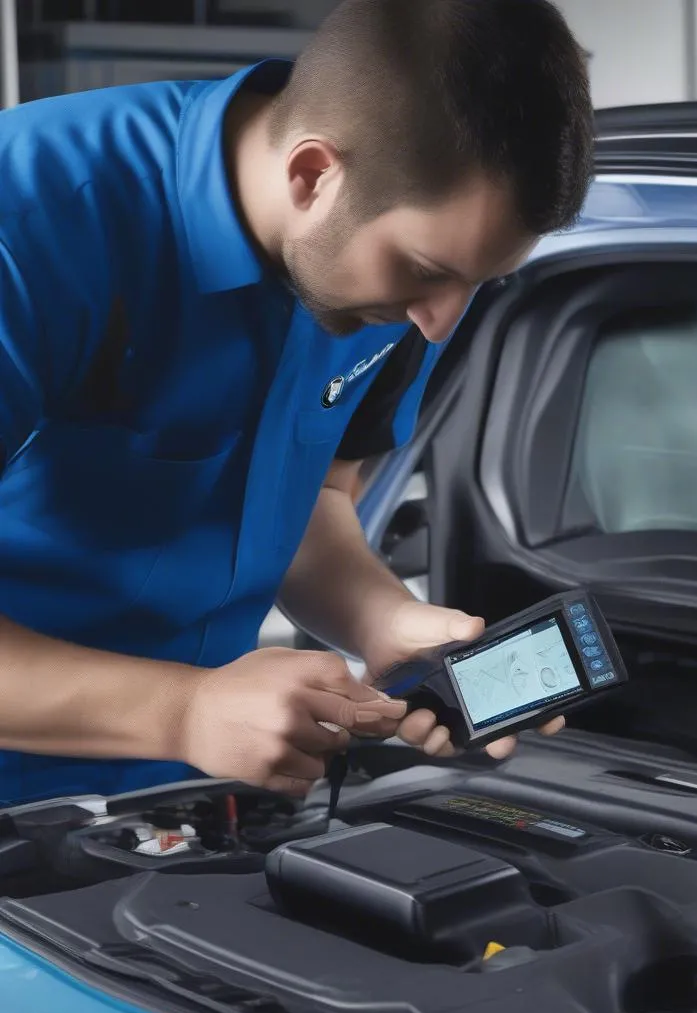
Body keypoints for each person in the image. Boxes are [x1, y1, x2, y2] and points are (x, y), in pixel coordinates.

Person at [0, 0, 594, 805]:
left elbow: (310, 500)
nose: (443, 319)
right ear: (314, 174)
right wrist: (183, 712)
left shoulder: (401, 279)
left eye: (479, 283)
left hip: (193, 800)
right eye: (427, 268)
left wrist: (381, 618)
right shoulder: (33, 217)